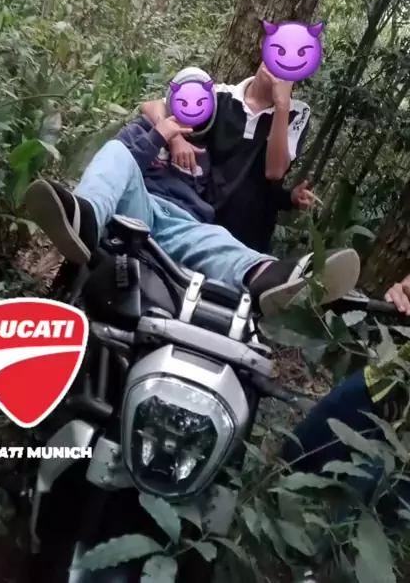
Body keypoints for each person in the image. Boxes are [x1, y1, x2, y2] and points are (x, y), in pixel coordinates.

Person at [25, 69, 359, 316]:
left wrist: (287, 198)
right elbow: (131, 146)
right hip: (139, 205)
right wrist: (165, 135)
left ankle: (270, 276)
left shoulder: (207, 148)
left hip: (183, 223)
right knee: (115, 152)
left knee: (217, 240)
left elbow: (244, 184)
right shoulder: (145, 130)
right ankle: (86, 218)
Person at [141, 63, 316, 254]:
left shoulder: (296, 113)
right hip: (198, 220)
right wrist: (175, 138)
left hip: (247, 236)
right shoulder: (219, 95)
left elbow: (274, 171)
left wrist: (282, 105)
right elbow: (152, 106)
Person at [282, 275, 410, 506]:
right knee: (290, 463)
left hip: (403, 450)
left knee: (359, 517)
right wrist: (404, 291)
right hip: (379, 386)